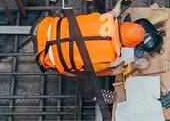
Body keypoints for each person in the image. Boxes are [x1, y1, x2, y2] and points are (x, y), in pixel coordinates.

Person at [33, 11, 161, 75]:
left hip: (44, 28)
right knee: (79, 71)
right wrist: (115, 71)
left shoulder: (102, 18)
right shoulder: (109, 56)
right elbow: (91, 71)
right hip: (46, 57)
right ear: (129, 45)